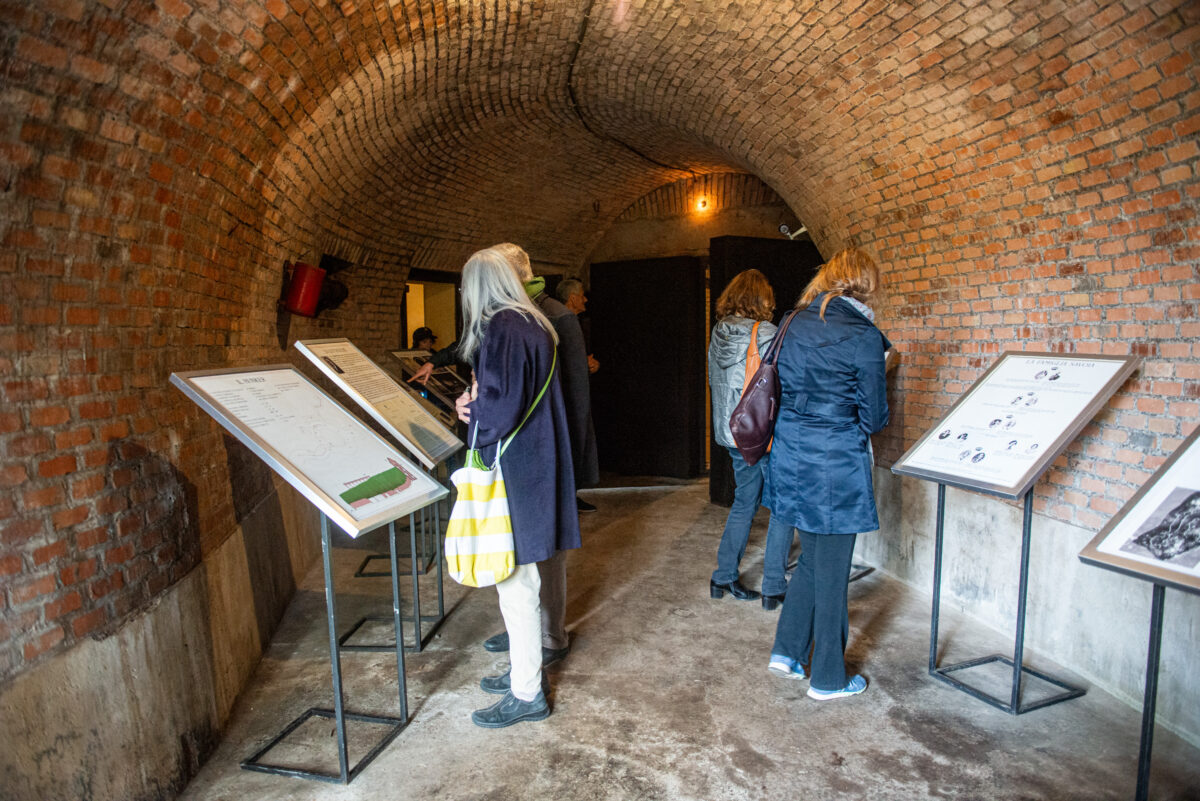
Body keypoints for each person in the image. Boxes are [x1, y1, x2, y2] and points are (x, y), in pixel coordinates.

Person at [453, 244, 581, 728]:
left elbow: (502, 410)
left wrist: (472, 411)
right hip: (538, 459)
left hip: (515, 468)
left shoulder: (504, 326)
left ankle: (526, 692)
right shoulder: (534, 322)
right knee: (530, 574)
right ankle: (523, 669)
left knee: (515, 582)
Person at [764, 246, 890, 701]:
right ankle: (829, 678)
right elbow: (874, 417)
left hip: (791, 455)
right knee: (834, 572)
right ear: (866, 284)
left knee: (813, 560)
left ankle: (788, 650)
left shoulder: (792, 322)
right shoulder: (865, 335)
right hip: (835, 464)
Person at [472, 244, 594, 673]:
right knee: (528, 549)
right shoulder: (522, 317)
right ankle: (526, 630)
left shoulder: (544, 317)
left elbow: (571, 391)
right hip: (532, 445)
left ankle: (548, 636)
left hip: (539, 449)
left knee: (540, 552)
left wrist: (569, 454)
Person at [707, 269, 794, 610]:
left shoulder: (719, 332)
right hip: (762, 434)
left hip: (733, 433)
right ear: (762, 299)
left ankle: (723, 576)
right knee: (782, 506)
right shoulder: (767, 333)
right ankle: (774, 586)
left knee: (744, 502)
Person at [557, 278, 599, 374]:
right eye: (582, 296)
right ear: (573, 298)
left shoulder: (577, 321)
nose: (585, 299)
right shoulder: (564, 324)